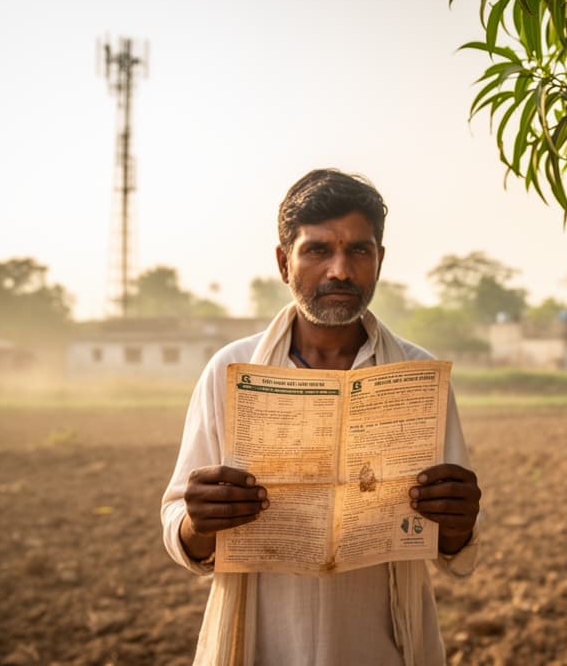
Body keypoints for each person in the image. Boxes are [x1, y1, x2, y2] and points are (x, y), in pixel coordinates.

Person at [160, 168, 482, 665]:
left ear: (380, 260)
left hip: (382, 649)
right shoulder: (231, 371)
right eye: (317, 250)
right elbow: (180, 524)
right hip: (262, 643)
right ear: (283, 261)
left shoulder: (416, 375)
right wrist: (200, 522)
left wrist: (459, 520)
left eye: (359, 250)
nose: (340, 271)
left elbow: (453, 544)